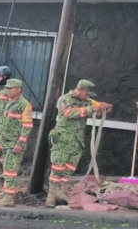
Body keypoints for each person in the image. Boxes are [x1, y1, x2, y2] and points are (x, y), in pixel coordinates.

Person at [45, 79, 112, 207]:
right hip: (63, 140)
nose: (88, 97)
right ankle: (51, 196)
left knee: (69, 168)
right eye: (87, 93)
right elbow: (67, 113)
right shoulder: (64, 99)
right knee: (57, 167)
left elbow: (95, 107)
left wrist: (103, 108)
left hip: (76, 141)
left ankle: (62, 192)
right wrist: (90, 108)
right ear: (80, 89)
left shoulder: (86, 101)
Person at [0, 79, 33, 207]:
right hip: (7, 142)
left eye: (10, 88)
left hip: (15, 144)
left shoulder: (24, 105)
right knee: (7, 169)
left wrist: (20, 143)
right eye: (7, 88)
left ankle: (9, 198)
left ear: (18, 89)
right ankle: (5, 192)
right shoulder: (9, 103)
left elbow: (27, 126)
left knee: (11, 171)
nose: (7, 90)